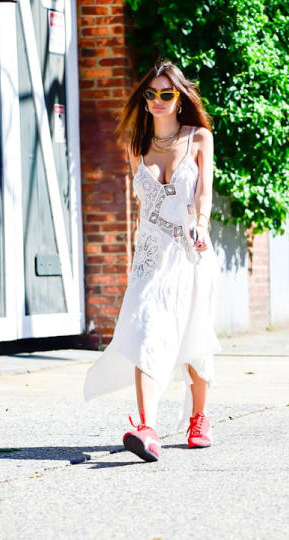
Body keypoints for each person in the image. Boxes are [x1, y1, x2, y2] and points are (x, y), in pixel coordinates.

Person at [83, 60, 222, 463]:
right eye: (151, 94)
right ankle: (147, 428)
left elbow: (204, 194)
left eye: (167, 94)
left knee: (192, 335)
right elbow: (143, 206)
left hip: (189, 252)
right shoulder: (136, 146)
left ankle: (200, 418)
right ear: (145, 101)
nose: (158, 101)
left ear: (179, 98)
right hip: (148, 257)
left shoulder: (198, 138)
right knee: (144, 328)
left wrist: (200, 224)